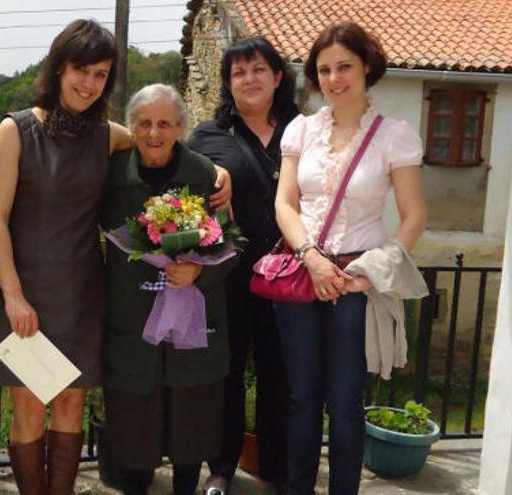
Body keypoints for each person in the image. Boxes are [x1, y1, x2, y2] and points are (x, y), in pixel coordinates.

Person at [0, 20, 232, 495]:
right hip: (28, 292)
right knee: (31, 408)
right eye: (81, 69)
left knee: (71, 407)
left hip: (83, 293)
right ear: (59, 68)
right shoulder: (15, 131)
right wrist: (12, 297)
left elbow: (159, 140)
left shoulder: (106, 134)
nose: (89, 83)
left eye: (101, 74)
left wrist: (220, 171)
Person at [274, 21, 426, 494]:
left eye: (344, 67)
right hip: (303, 272)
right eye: (324, 70)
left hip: (356, 280)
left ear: (366, 68)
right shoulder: (300, 130)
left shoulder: (392, 136)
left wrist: (369, 274)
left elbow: (414, 214)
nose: (334, 79)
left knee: (345, 403)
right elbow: (285, 203)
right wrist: (312, 258)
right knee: (301, 400)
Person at [101, 83, 236, 495]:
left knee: (190, 426)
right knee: (133, 430)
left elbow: (234, 243)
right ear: (131, 128)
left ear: (181, 126)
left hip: (193, 324)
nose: (154, 133)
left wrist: (200, 271)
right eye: (144, 123)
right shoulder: (111, 175)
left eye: (164, 123)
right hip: (132, 323)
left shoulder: (206, 176)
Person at [186, 37, 298, 495]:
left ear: (277, 77)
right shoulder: (207, 137)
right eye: (238, 72)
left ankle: (276, 466)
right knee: (226, 376)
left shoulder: (305, 131)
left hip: (293, 280)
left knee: (282, 376)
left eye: (257, 69)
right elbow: (183, 196)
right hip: (229, 280)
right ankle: (221, 468)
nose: (248, 79)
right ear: (228, 84)